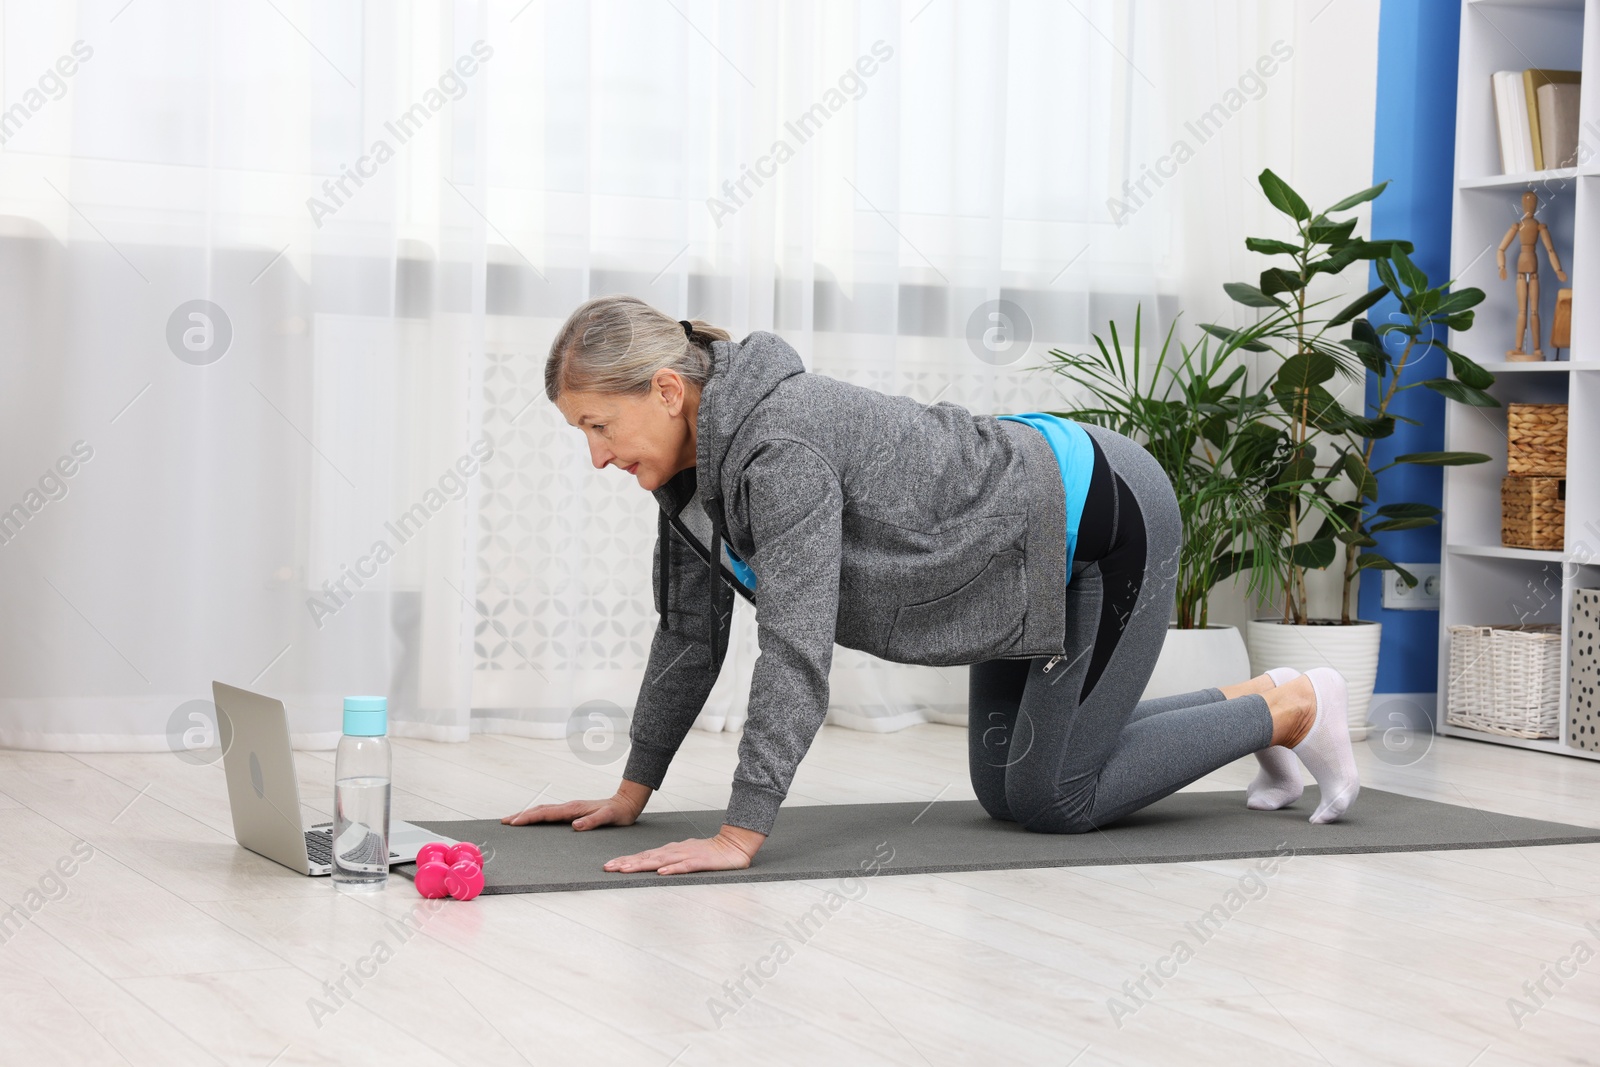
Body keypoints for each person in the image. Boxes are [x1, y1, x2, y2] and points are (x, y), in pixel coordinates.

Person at [502, 295, 1360, 876]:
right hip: (1003, 548)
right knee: (1005, 790)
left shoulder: (777, 447)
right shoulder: (687, 472)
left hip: (1099, 518)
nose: (598, 455)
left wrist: (740, 831)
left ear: (664, 388)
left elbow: (796, 645)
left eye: (598, 425)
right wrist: (633, 788)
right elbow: (691, 631)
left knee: (1056, 797)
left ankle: (1296, 708)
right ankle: (1259, 693)